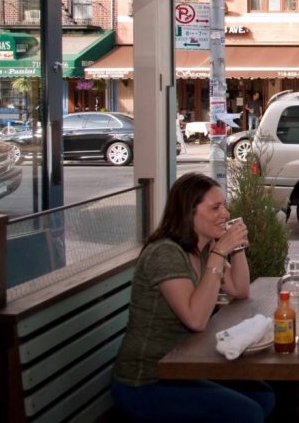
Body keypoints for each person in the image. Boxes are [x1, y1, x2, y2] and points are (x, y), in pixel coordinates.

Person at [110, 172, 274, 423]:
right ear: (189, 212)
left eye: (225, 206)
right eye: (216, 207)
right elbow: (196, 320)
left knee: (265, 396)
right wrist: (221, 251)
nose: (225, 214)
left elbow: (240, 290)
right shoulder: (165, 252)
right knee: (248, 414)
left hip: (184, 367)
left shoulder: (204, 248)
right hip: (145, 381)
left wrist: (236, 245)